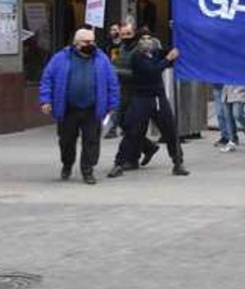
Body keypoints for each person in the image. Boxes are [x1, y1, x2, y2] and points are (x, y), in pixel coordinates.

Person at [37, 27, 120, 184]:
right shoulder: (60, 58)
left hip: (93, 108)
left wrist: (112, 103)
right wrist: (45, 100)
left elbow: (112, 82)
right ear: (76, 43)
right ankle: (67, 164)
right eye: (86, 42)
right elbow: (47, 79)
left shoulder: (102, 59)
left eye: (92, 41)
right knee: (66, 141)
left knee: (91, 141)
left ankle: (87, 170)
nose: (91, 44)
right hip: (68, 108)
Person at [108, 33, 189, 177]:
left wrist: (175, 31)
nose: (146, 41)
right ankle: (119, 163)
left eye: (149, 39)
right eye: (143, 39)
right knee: (133, 130)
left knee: (170, 130)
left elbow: (174, 50)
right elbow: (153, 71)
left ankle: (178, 162)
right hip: (141, 98)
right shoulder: (137, 58)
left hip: (158, 98)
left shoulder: (156, 53)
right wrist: (168, 59)